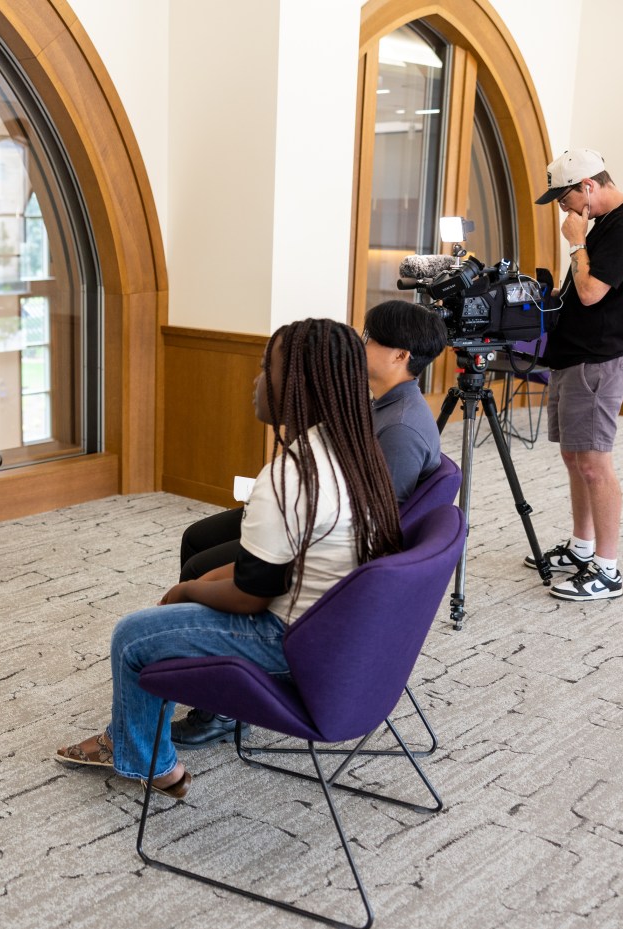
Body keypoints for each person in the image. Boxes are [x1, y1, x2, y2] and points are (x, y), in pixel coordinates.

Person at [55, 318, 403, 798]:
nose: (254, 381)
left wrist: (184, 590)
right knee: (172, 611)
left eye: (266, 368)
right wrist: (196, 590)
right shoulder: (357, 451)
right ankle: (132, 740)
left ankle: (151, 762)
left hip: (293, 646)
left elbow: (252, 597)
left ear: (299, 385)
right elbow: (272, 567)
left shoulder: (292, 475)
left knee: (133, 636)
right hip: (343, 640)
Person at [169, 300, 447, 748]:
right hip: (317, 510)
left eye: (370, 339)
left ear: (401, 355)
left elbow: (372, 516)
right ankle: (203, 668)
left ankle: (221, 701)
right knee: (196, 538)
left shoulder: (400, 428)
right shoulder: (381, 403)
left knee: (200, 569)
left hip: (327, 538)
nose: (361, 344)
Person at [530, 148, 623, 601]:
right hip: (574, 357)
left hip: (597, 363)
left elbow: (590, 293)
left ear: (588, 186)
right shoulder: (604, 224)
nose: (564, 210)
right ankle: (582, 547)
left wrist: (576, 242)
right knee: (573, 457)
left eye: (565, 200)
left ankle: (607, 569)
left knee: (594, 464)